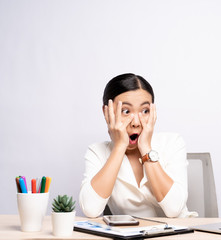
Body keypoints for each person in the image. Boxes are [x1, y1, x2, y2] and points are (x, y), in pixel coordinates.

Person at [79, 73, 196, 218]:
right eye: (126, 111)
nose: (136, 122)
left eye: (145, 111)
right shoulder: (97, 152)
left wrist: (146, 147)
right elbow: (90, 209)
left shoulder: (172, 143)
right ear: (106, 112)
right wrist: (119, 147)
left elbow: (174, 210)